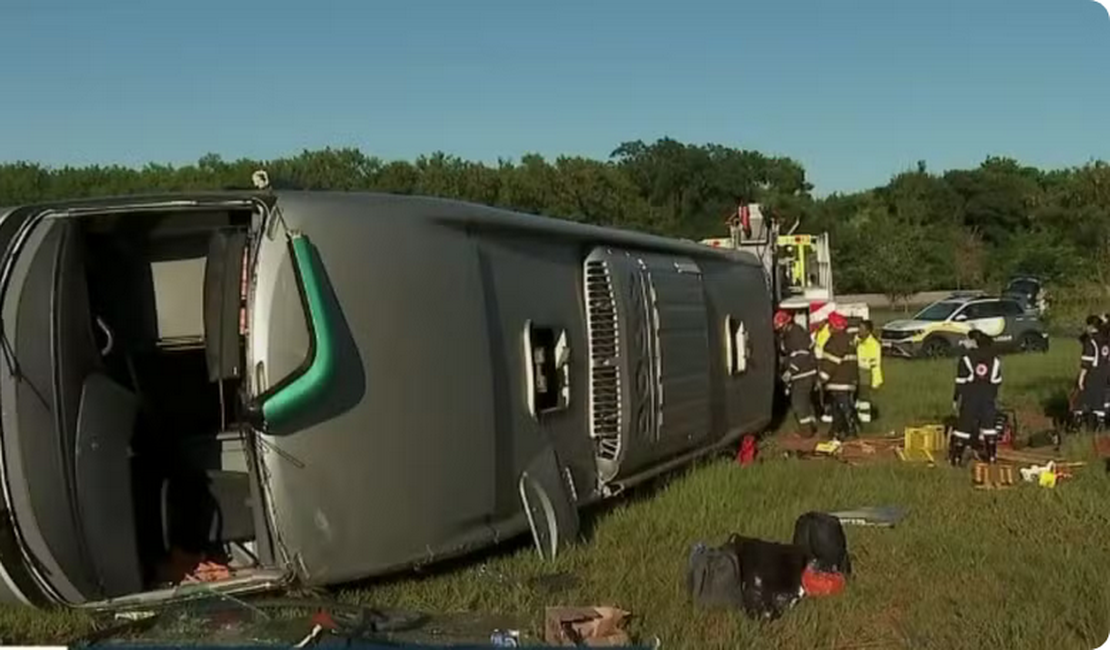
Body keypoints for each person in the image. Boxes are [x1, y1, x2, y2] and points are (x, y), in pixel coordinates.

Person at [950, 330, 1002, 466]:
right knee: (989, 428)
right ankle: (991, 458)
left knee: (963, 429)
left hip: (970, 397)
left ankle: (956, 459)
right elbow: (997, 382)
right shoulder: (995, 359)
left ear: (974, 341)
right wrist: (991, 396)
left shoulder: (966, 358)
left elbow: (960, 382)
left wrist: (956, 399)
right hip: (988, 398)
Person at [774, 310, 819, 438]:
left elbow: (802, 354)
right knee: (804, 402)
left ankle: (806, 431)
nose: (780, 331)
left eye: (780, 328)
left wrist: (790, 371)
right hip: (803, 373)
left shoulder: (796, 334)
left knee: (798, 402)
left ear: (787, 324)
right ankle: (811, 427)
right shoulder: (790, 334)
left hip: (804, 373)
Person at [818, 312, 859, 440]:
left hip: (839, 381)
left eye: (829, 325)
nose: (828, 327)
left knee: (843, 406)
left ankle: (852, 432)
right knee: (837, 408)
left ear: (834, 326)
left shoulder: (836, 341)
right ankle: (834, 432)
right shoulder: (848, 339)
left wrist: (821, 379)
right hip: (848, 380)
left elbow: (830, 363)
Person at [1075, 315, 1110, 432]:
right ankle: (1101, 424)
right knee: (1100, 397)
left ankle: (1078, 423)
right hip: (1105, 372)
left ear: (1090, 326)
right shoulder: (1106, 339)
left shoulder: (1091, 341)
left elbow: (1087, 361)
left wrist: (1081, 377)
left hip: (1092, 373)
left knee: (1081, 397)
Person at [855, 320, 884, 422]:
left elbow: (874, 363)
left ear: (868, 331)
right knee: (860, 398)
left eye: (862, 329)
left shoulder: (873, 344)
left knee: (864, 399)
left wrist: (874, 381)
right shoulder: (859, 342)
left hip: (867, 374)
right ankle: (860, 418)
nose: (859, 331)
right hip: (860, 373)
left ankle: (865, 419)